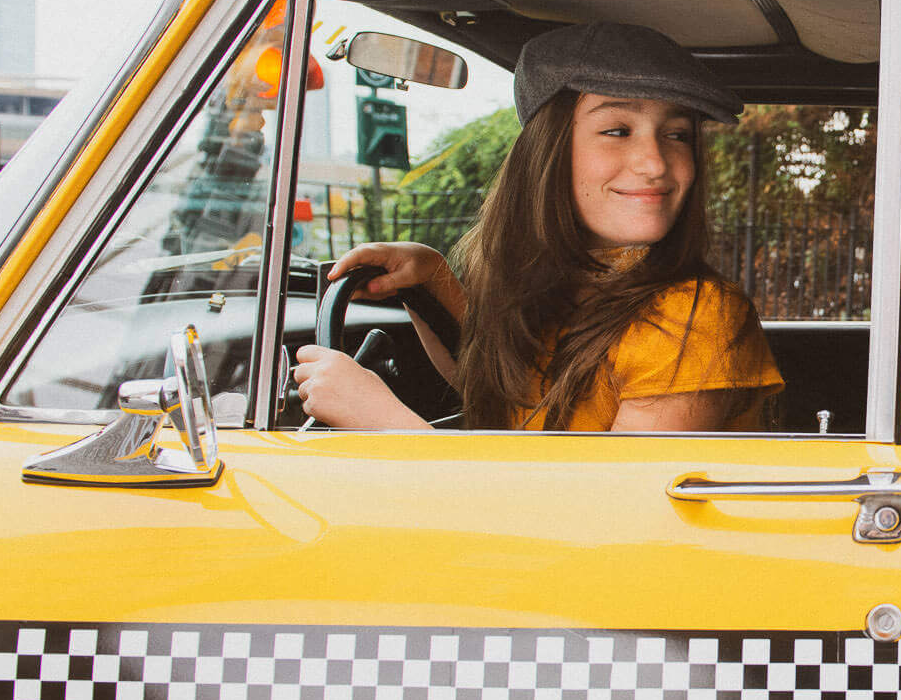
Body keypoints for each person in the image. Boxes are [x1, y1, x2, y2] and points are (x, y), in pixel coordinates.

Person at [291, 22, 783, 432]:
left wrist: (383, 422)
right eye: (618, 131)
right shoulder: (576, 282)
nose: (656, 163)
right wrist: (432, 278)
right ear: (548, 154)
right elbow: (503, 391)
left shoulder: (694, 315)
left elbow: (621, 519)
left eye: (677, 135)